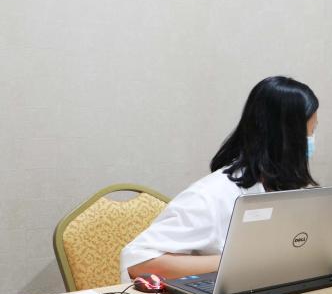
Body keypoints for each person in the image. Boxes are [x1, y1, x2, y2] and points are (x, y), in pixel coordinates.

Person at [120, 76, 319, 282]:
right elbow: (138, 261)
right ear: (284, 137)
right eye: (310, 133)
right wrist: (238, 261)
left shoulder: (283, 189)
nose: (312, 141)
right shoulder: (211, 196)